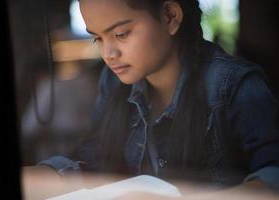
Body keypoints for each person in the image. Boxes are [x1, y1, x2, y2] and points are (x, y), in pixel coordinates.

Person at [27, 0, 279, 198]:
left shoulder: (232, 84)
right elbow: (96, 155)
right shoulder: (114, 80)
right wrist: (43, 175)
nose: (108, 53)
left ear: (170, 17)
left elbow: (273, 176)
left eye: (121, 34)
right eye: (97, 38)